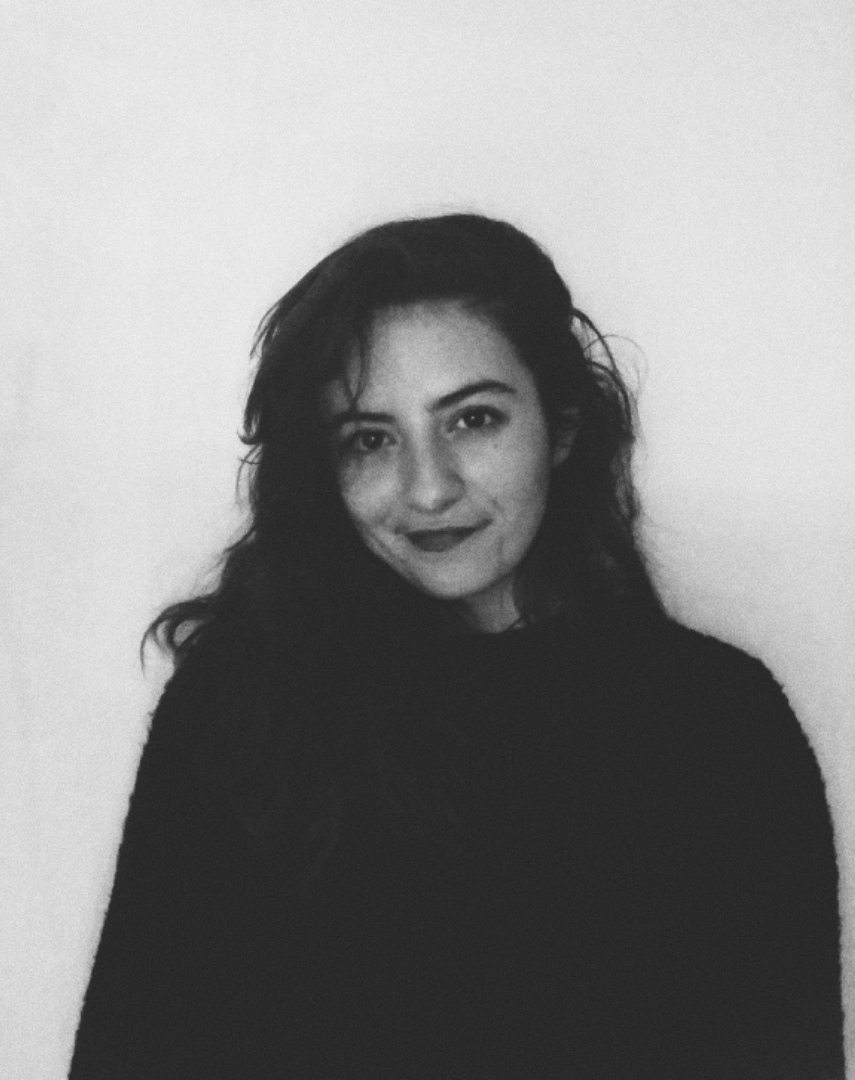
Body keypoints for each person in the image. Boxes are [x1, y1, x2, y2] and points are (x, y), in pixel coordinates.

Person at [70, 213, 843, 1078]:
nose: (428, 488)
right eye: (371, 439)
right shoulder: (238, 714)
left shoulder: (720, 728)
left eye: (473, 420)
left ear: (562, 428)